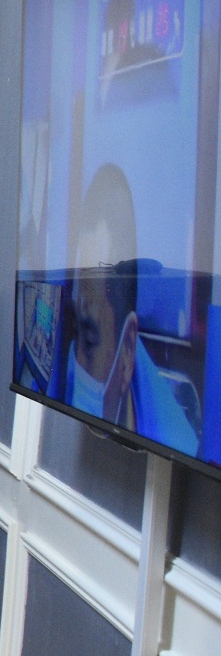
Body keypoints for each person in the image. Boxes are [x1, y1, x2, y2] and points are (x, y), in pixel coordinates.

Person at [63, 163, 200, 454]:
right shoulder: (65, 370)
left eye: (89, 336)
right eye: (75, 327)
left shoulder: (179, 441)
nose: (78, 360)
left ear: (127, 350)